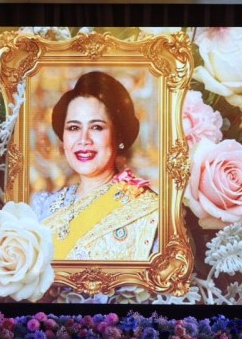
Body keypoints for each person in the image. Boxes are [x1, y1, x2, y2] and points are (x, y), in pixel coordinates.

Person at [30, 71, 159, 260]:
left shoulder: (148, 210)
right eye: (74, 128)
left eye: (96, 127)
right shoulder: (42, 207)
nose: (83, 139)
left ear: (118, 135)